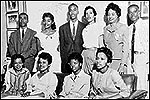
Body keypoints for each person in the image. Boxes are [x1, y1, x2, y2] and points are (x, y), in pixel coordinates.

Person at [127, 4, 149, 93]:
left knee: (141, 85)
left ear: (139, 12)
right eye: (130, 12)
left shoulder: (145, 25)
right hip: (131, 59)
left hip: (142, 57)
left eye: (135, 11)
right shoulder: (129, 28)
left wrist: (146, 60)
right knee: (132, 85)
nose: (132, 15)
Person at [59, 3, 86, 74]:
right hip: (67, 62)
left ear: (78, 12)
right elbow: (62, 46)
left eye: (74, 10)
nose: (72, 12)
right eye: (70, 10)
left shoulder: (84, 27)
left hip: (80, 60)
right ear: (68, 12)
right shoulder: (62, 28)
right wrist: (64, 60)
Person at [103, 3, 129, 74]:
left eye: (113, 14)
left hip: (119, 62)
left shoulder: (123, 28)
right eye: (108, 14)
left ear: (118, 15)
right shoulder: (105, 29)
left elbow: (126, 48)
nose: (110, 17)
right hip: (108, 63)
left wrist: (123, 65)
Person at [81, 5, 105, 75]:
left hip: (94, 53)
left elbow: (101, 44)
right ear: (85, 17)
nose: (88, 15)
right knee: (85, 76)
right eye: (86, 13)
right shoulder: (84, 29)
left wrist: (100, 57)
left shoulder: (99, 27)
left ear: (94, 15)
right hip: (84, 54)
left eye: (90, 13)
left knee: (95, 75)